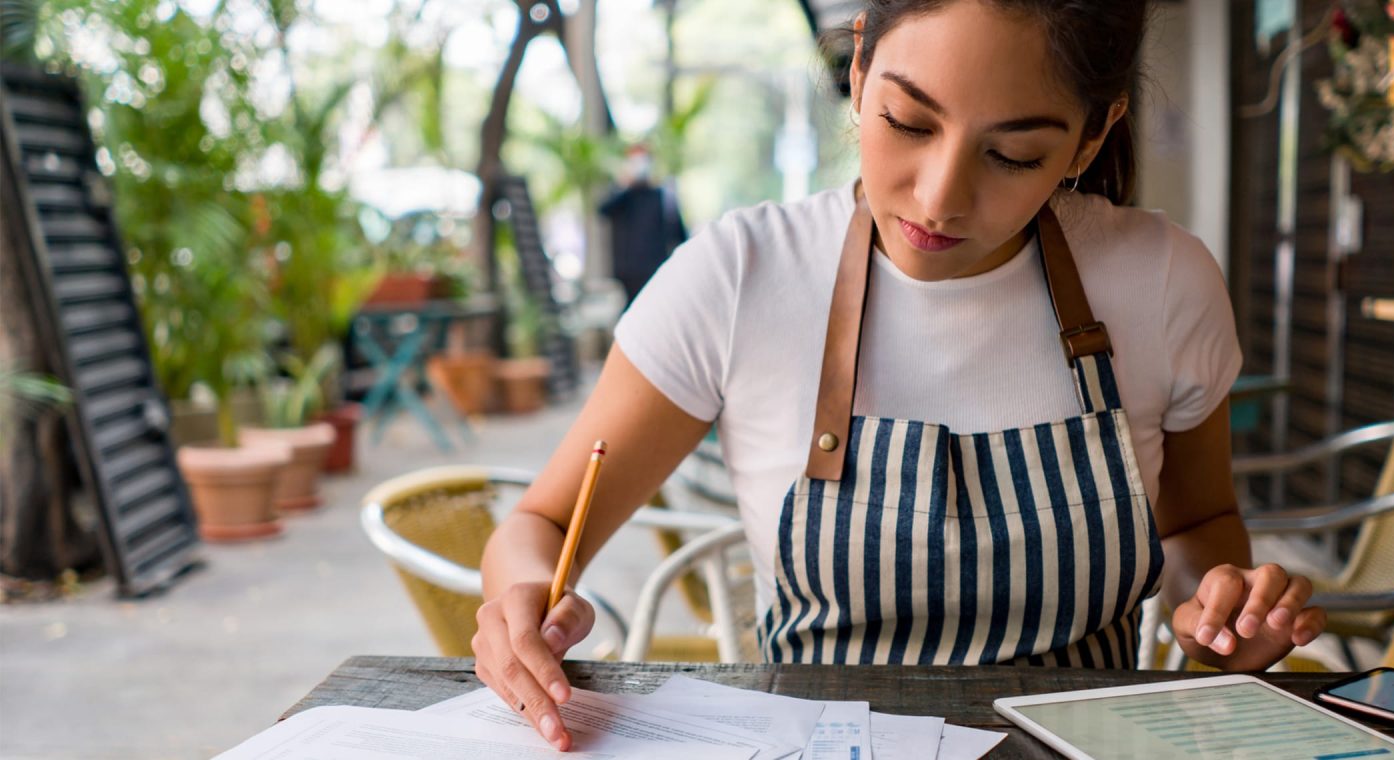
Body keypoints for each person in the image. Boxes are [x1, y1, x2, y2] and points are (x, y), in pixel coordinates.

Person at [475, 0, 1328, 750]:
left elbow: (1200, 523)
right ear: (858, 68)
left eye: (1013, 155)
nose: (939, 197)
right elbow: (546, 520)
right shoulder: (737, 277)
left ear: (1092, 135)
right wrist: (520, 601)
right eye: (909, 122)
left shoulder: (1164, 280)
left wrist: (1223, 616)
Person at [598, 144, 688, 306]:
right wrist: (625, 185)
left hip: (655, 269)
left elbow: (679, 233)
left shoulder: (662, 195)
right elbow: (603, 211)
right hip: (627, 272)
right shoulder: (622, 195)